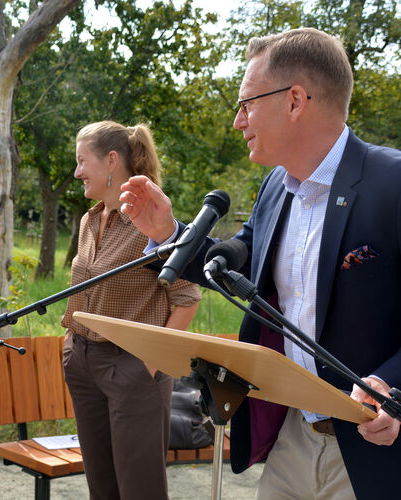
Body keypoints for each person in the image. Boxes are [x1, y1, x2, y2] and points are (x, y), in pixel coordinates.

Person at [119, 28, 401, 499]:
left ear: (294, 101)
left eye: (246, 103)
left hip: (375, 447)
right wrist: (168, 233)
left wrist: (393, 385)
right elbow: (234, 265)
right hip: (294, 435)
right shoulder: (274, 187)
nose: (238, 121)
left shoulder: (391, 182)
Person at [61, 120, 201, 500]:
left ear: (110, 161)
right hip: (83, 360)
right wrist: (71, 344)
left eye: (81, 161)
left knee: (140, 489)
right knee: (101, 487)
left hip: (132, 367)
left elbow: (188, 299)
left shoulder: (151, 220)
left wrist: (147, 364)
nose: (76, 172)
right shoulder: (90, 220)